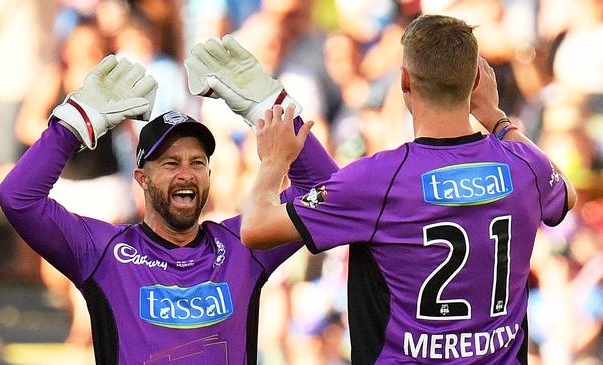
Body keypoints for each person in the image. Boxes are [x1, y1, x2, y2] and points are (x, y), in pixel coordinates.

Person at [239, 14, 577, 364]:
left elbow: (255, 227)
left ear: (403, 81)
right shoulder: (525, 165)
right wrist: (496, 118)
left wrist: (273, 161)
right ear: (477, 79)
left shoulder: (378, 178)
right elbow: (565, 193)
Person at [0, 37, 337, 364]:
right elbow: (18, 198)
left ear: (208, 176)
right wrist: (75, 123)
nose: (186, 174)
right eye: (171, 163)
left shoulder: (244, 246)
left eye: (197, 163)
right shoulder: (103, 252)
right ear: (142, 178)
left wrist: (271, 105)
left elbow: (326, 193)